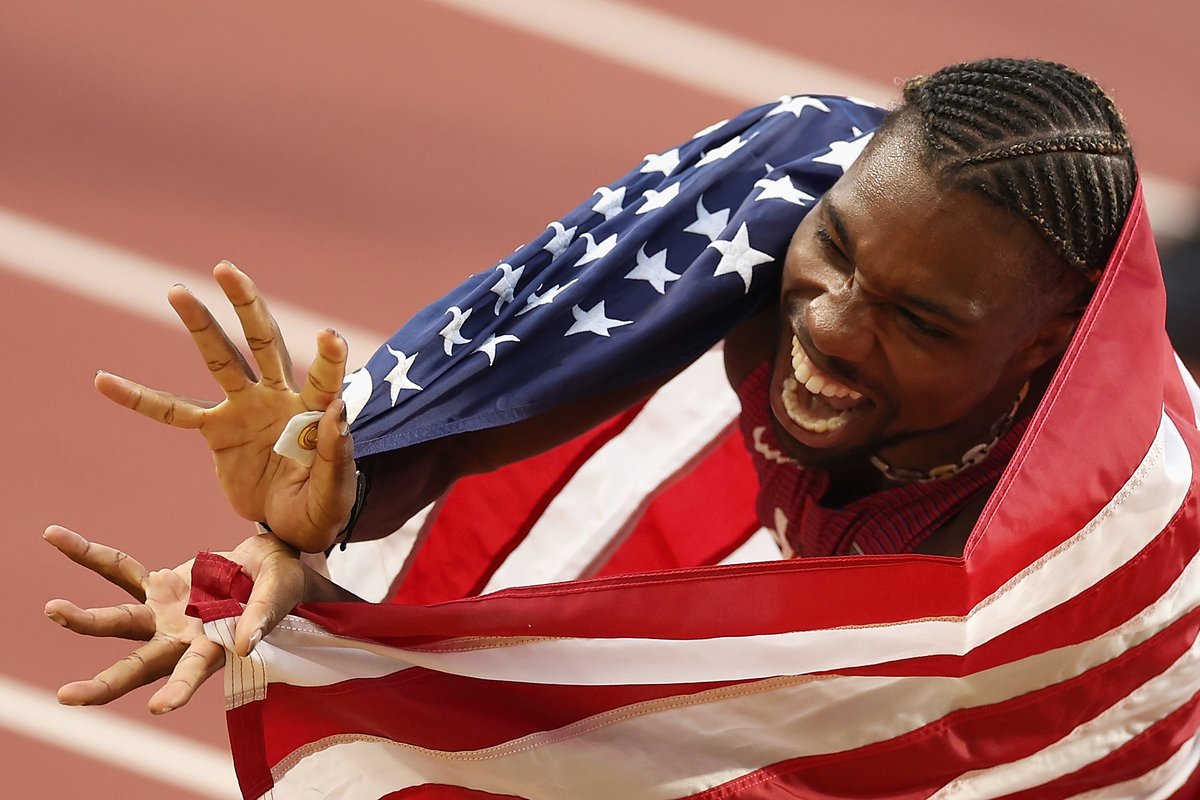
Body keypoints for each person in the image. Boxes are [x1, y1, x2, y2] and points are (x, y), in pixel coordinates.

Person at [45, 59, 1200, 797]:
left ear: (1046, 343)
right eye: (837, 249)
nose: (835, 328)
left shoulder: (1070, 560)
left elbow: (828, 760)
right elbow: (521, 378)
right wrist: (309, 528)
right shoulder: (783, 187)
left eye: (918, 319)